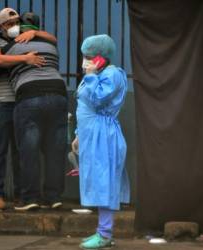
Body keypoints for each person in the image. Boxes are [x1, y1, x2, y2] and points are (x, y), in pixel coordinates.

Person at [0, 12, 68, 211]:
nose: (13, 25)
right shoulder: (50, 46)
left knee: (25, 151)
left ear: (23, 26)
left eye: (16, 22)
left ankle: (28, 197)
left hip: (27, 99)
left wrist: (22, 51)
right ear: (1, 26)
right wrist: (25, 58)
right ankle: (52, 196)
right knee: (53, 149)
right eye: (9, 23)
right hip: (48, 96)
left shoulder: (11, 46)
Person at [72, 34, 130, 249]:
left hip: (103, 135)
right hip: (90, 135)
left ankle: (105, 233)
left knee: (104, 183)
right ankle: (102, 232)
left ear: (101, 57)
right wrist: (79, 134)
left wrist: (90, 75)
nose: (85, 60)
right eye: (84, 56)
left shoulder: (112, 74)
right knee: (97, 182)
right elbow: (84, 106)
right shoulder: (96, 74)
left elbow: (97, 99)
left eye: (90, 56)